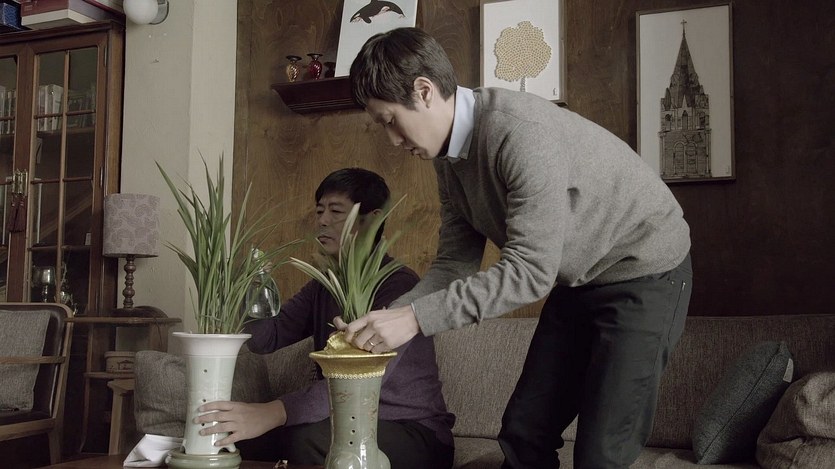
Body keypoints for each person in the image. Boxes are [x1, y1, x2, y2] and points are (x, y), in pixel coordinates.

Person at [337, 27, 693, 469]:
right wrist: (389, 318)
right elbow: (454, 264)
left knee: (602, 454)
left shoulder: (520, 132)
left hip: (645, 271)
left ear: (424, 91)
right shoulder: (446, 160)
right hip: (578, 279)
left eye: (390, 120)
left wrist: (413, 319)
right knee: (524, 435)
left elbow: (530, 272)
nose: (392, 139)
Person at [195, 168, 455, 469]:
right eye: (320, 211)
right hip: (340, 420)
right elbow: (267, 339)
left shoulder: (399, 286)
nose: (322, 220)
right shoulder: (324, 285)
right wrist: (252, 287)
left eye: (336, 211)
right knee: (237, 439)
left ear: (372, 220)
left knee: (304, 441)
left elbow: (355, 379)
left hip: (414, 431)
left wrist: (273, 412)